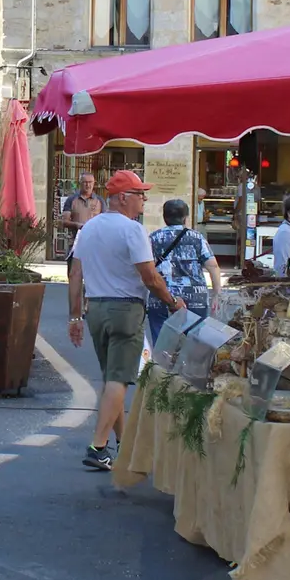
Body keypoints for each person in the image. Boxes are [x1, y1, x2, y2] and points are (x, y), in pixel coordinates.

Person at [67, 170, 185, 472]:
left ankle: (124, 445)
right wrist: (172, 302)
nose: (144, 200)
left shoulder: (89, 228)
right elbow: (149, 276)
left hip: (96, 309)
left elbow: (75, 275)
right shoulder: (133, 230)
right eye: (139, 194)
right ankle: (98, 446)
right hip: (126, 309)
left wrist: (74, 316)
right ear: (123, 197)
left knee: (111, 379)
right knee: (119, 379)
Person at [145, 199, 222, 348]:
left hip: (162, 297)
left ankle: (161, 370)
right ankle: (188, 370)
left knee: (162, 346)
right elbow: (213, 266)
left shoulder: (153, 238)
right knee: (193, 346)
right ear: (185, 218)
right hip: (195, 298)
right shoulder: (197, 238)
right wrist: (216, 294)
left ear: (164, 217)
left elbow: (146, 268)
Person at [56, 171, 102, 253]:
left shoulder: (100, 201)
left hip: (95, 244)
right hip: (75, 243)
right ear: (80, 183)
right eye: (85, 182)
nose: (88, 185)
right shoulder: (71, 200)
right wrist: (77, 225)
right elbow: (64, 221)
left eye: (90, 182)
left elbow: (105, 222)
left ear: (94, 183)